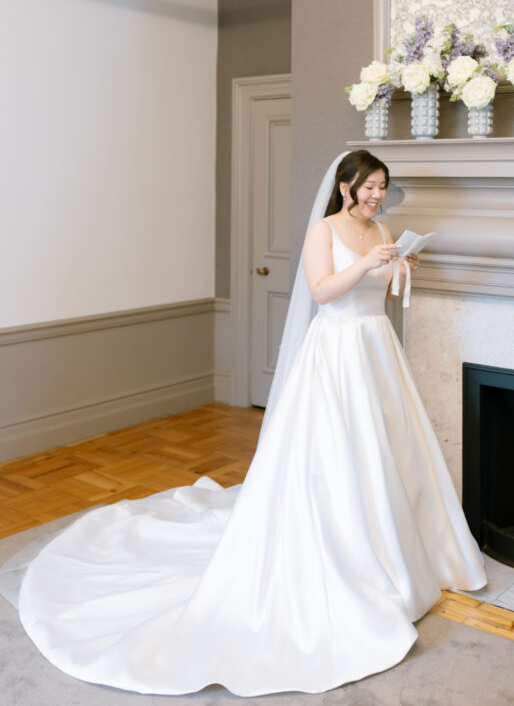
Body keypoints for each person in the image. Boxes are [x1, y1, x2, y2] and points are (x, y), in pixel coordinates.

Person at [5, 149, 486, 697]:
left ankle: (399, 551)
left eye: (382, 186)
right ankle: (347, 553)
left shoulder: (381, 229)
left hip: (378, 350)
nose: (377, 195)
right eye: (369, 186)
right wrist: (365, 264)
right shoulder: (324, 230)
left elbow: (385, 292)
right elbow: (322, 291)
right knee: (339, 454)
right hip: (336, 352)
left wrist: (401, 268)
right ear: (345, 186)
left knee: (390, 452)